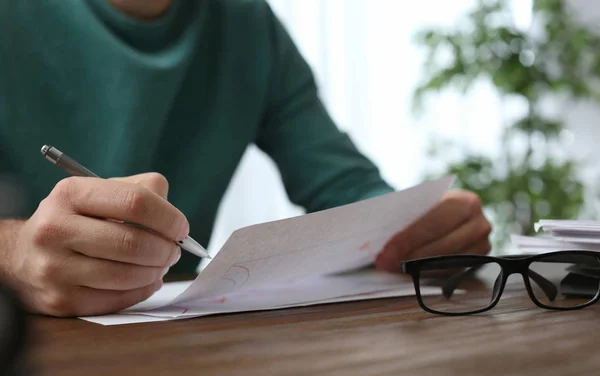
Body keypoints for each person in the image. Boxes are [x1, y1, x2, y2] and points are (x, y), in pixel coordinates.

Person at [0, 0, 491, 317]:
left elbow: (346, 184)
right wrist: (13, 254)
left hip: (182, 351)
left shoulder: (246, 21)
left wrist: (417, 224)